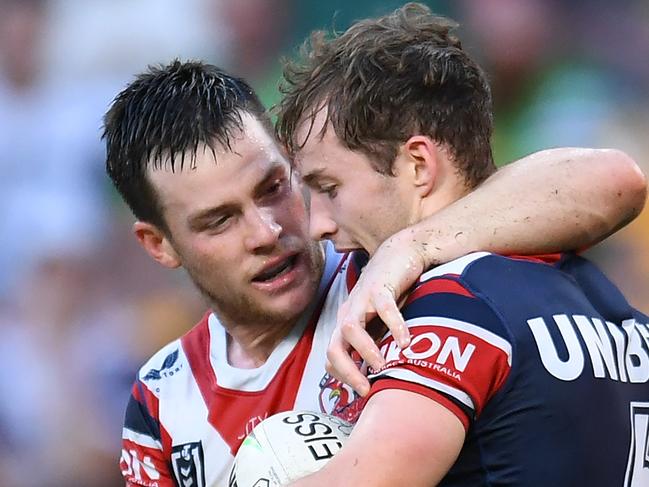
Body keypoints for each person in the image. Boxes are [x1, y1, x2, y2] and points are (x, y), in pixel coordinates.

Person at [103, 60, 645, 486]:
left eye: (274, 187)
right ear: (160, 245)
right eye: (220, 221)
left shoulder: (402, 278)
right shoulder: (161, 403)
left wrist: (411, 246)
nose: (267, 231)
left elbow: (614, 178)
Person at [275, 4, 649, 486]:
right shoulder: (601, 297)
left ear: (418, 165)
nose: (316, 225)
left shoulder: (453, 308)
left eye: (329, 188)